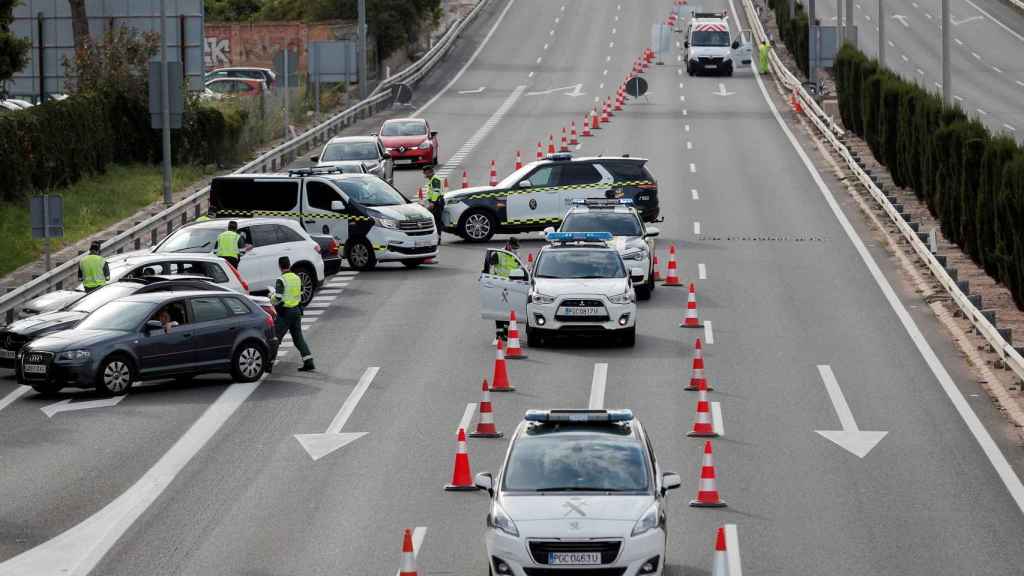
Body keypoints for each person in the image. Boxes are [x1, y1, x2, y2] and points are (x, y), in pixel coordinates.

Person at [272, 256, 315, 372]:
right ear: (289, 264)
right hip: (296, 311)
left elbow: (278, 298)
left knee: (276, 338)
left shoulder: (281, 280)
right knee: (298, 338)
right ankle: (309, 361)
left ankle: (268, 364)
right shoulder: (297, 278)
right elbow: (301, 292)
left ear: (280, 266)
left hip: (285, 312)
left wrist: (270, 297)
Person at [492, 237, 522, 340]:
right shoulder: (498, 253)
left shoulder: (517, 255)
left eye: (516, 248)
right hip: (499, 285)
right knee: (499, 310)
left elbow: (520, 269)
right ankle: (499, 333)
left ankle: (506, 331)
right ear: (508, 244)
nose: (515, 249)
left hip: (511, 286)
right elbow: (488, 265)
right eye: (513, 247)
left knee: (509, 311)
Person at [424, 165, 445, 244]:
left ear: (431, 172)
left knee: (436, 221)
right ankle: (436, 237)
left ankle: (438, 238)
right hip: (436, 202)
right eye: (425, 173)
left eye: (426, 173)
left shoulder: (435, 179)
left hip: (437, 203)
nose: (425, 175)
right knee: (435, 221)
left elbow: (436, 192)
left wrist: (432, 202)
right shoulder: (432, 179)